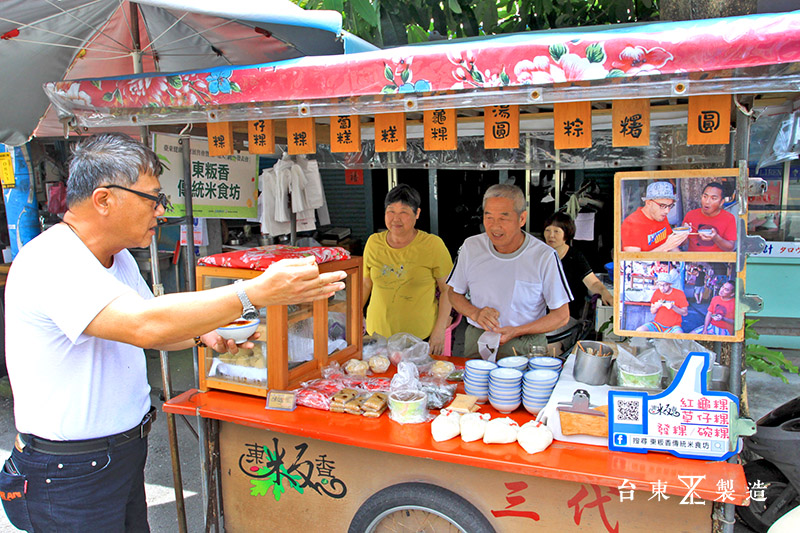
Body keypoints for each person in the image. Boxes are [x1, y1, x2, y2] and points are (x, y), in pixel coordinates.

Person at [1, 133, 346, 532]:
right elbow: (142, 324)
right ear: (104, 199)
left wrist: (206, 335)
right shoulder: (52, 260)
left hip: (121, 452)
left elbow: (156, 328)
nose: (161, 210)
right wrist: (252, 292)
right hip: (71, 471)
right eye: (152, 197)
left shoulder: (118, 259)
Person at [447, 184, 572, 358]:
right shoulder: (471, 247)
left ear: (522, 219)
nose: (494, 226)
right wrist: (475, 313)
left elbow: (561, 315)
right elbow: (454, 293)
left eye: (503, 218)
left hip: (525, 344)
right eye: (488, 217)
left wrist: (516, 331)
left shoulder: (544, 256)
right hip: (478, 339)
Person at [362, 184, 453, 354]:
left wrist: (439, 330)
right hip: (377, 337)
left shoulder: (433, 245)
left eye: (404, 212)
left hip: (419, 338)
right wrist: (355, 315)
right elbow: (366, 284)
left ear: (417, 214)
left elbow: (447, 289)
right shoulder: (373, 243)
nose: (396, 218)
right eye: (391, 211)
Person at [543, 212, 612, 319]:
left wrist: (604, 292)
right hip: (541, 312)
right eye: (548, 230)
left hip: (568, 315)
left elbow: (592, 282)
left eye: (556, 231)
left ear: (566, 234)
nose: (551, 235)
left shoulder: (575, 256)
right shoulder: (540, 254)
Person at [621, 181, 688, 252]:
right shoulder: (632, 223)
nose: (667, 211)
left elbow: (673, 248)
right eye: (662, 205)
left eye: (669, 206)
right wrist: (666, 246)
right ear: (648, 203)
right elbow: (633, 260)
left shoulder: (661, 216)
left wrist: (683, 235)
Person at [682, 182, 737, 252]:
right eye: (705, 197)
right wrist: (683, 233)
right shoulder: (691, 215)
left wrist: (716, 238)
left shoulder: (729, 218)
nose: (707, 202)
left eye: (713, 198)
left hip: (717, 261)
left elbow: (730, 247)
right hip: (694, 260)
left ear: (721, 202)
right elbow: (682, 244)